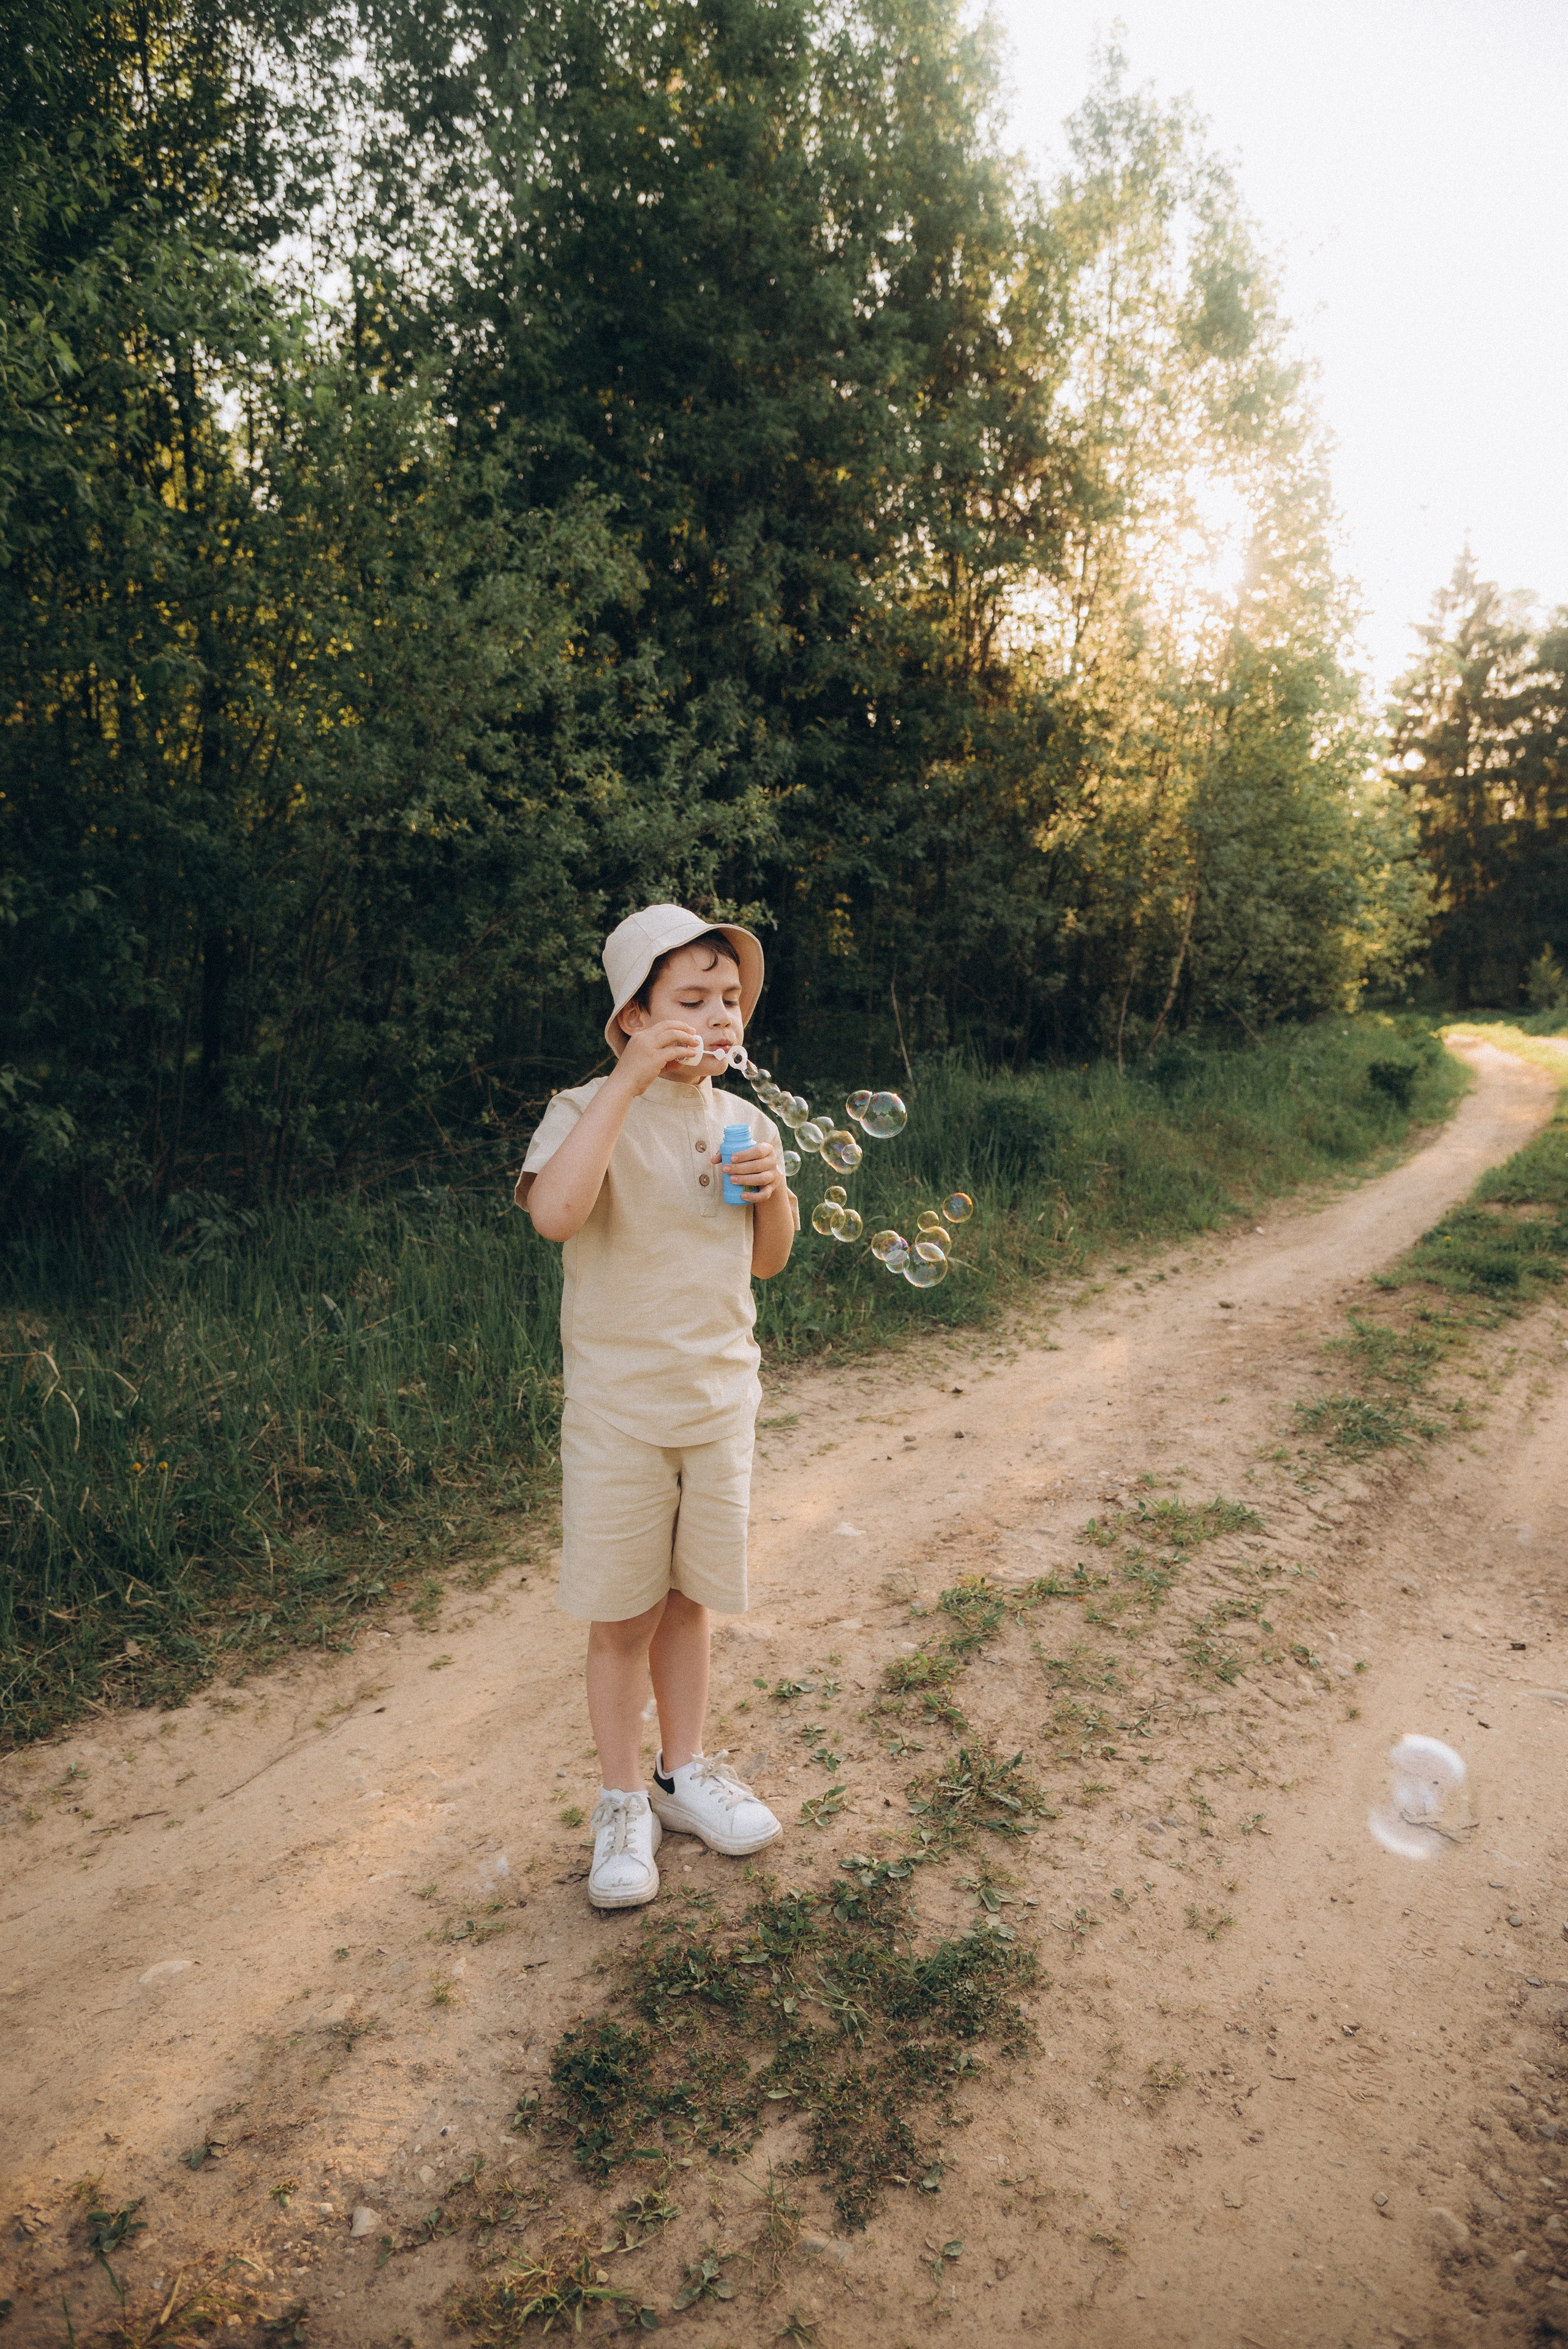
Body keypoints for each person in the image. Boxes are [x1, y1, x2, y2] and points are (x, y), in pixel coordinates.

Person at [514, 905, 797, 1909]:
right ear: (633, 1017)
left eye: (731, 999)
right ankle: (622, 1798)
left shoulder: (745, 1122)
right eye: (692, 998)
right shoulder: (584, 1109)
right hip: (621, 1415)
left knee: (689, 1600)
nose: (719, 1016)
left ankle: (683, 1774)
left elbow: (769, 1260)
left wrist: (774, 1192)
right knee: (624, 1614)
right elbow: (556, 1215)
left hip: (719, 1404)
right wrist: (626, 1085)